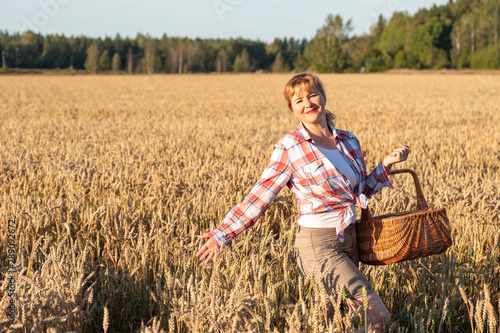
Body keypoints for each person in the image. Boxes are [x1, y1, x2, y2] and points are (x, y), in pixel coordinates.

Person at [196, 73, 410, 331]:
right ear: (292, 109)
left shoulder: (348, 140)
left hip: (350, 239)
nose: (307, 103)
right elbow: (262, 194)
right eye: (298, 100)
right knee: (377, 317)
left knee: (336, 323)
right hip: (318, 244)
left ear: (323, 97)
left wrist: (385, 165)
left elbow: (360, 190)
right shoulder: (290, 146)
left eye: (312, 95)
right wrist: (223, 233)